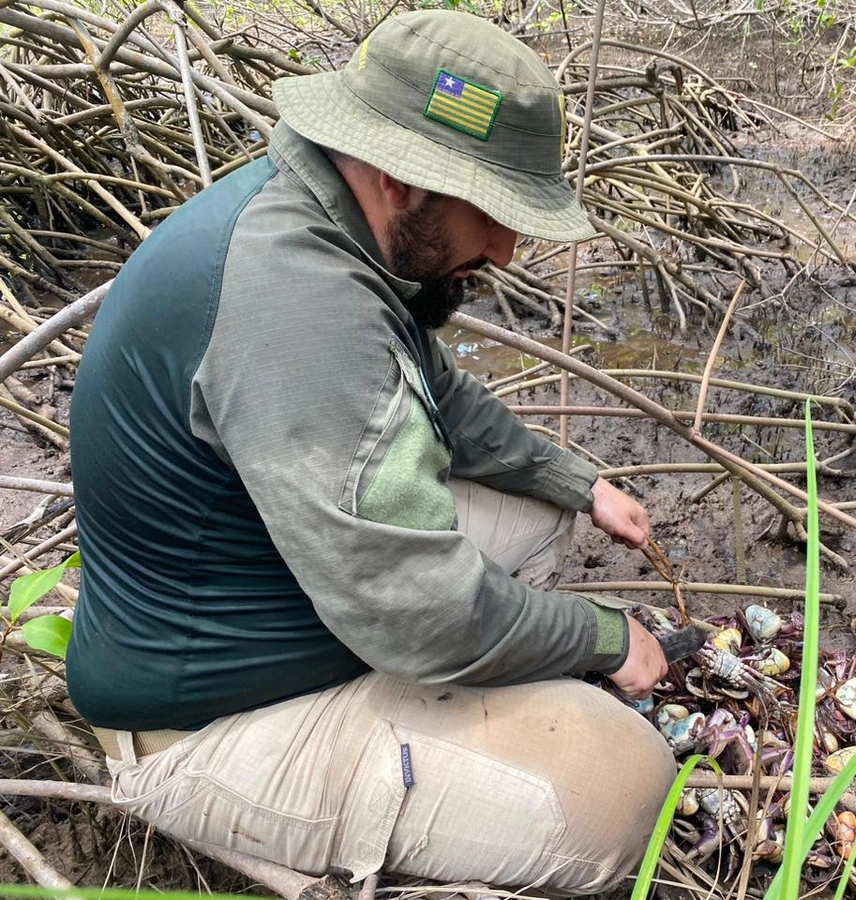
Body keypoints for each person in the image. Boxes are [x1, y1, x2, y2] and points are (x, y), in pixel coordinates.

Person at [66, 10, 676, 892]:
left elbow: (438, 394)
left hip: (289, 604)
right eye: (494, 213)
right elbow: (416, 613)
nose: (507, 249)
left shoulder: (328, 221)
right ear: (399, 177)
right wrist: (603, 636)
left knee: (540, 514)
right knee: (625, 790)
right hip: (206, 722)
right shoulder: (299, 305)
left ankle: (468, 709)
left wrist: (576, 481)